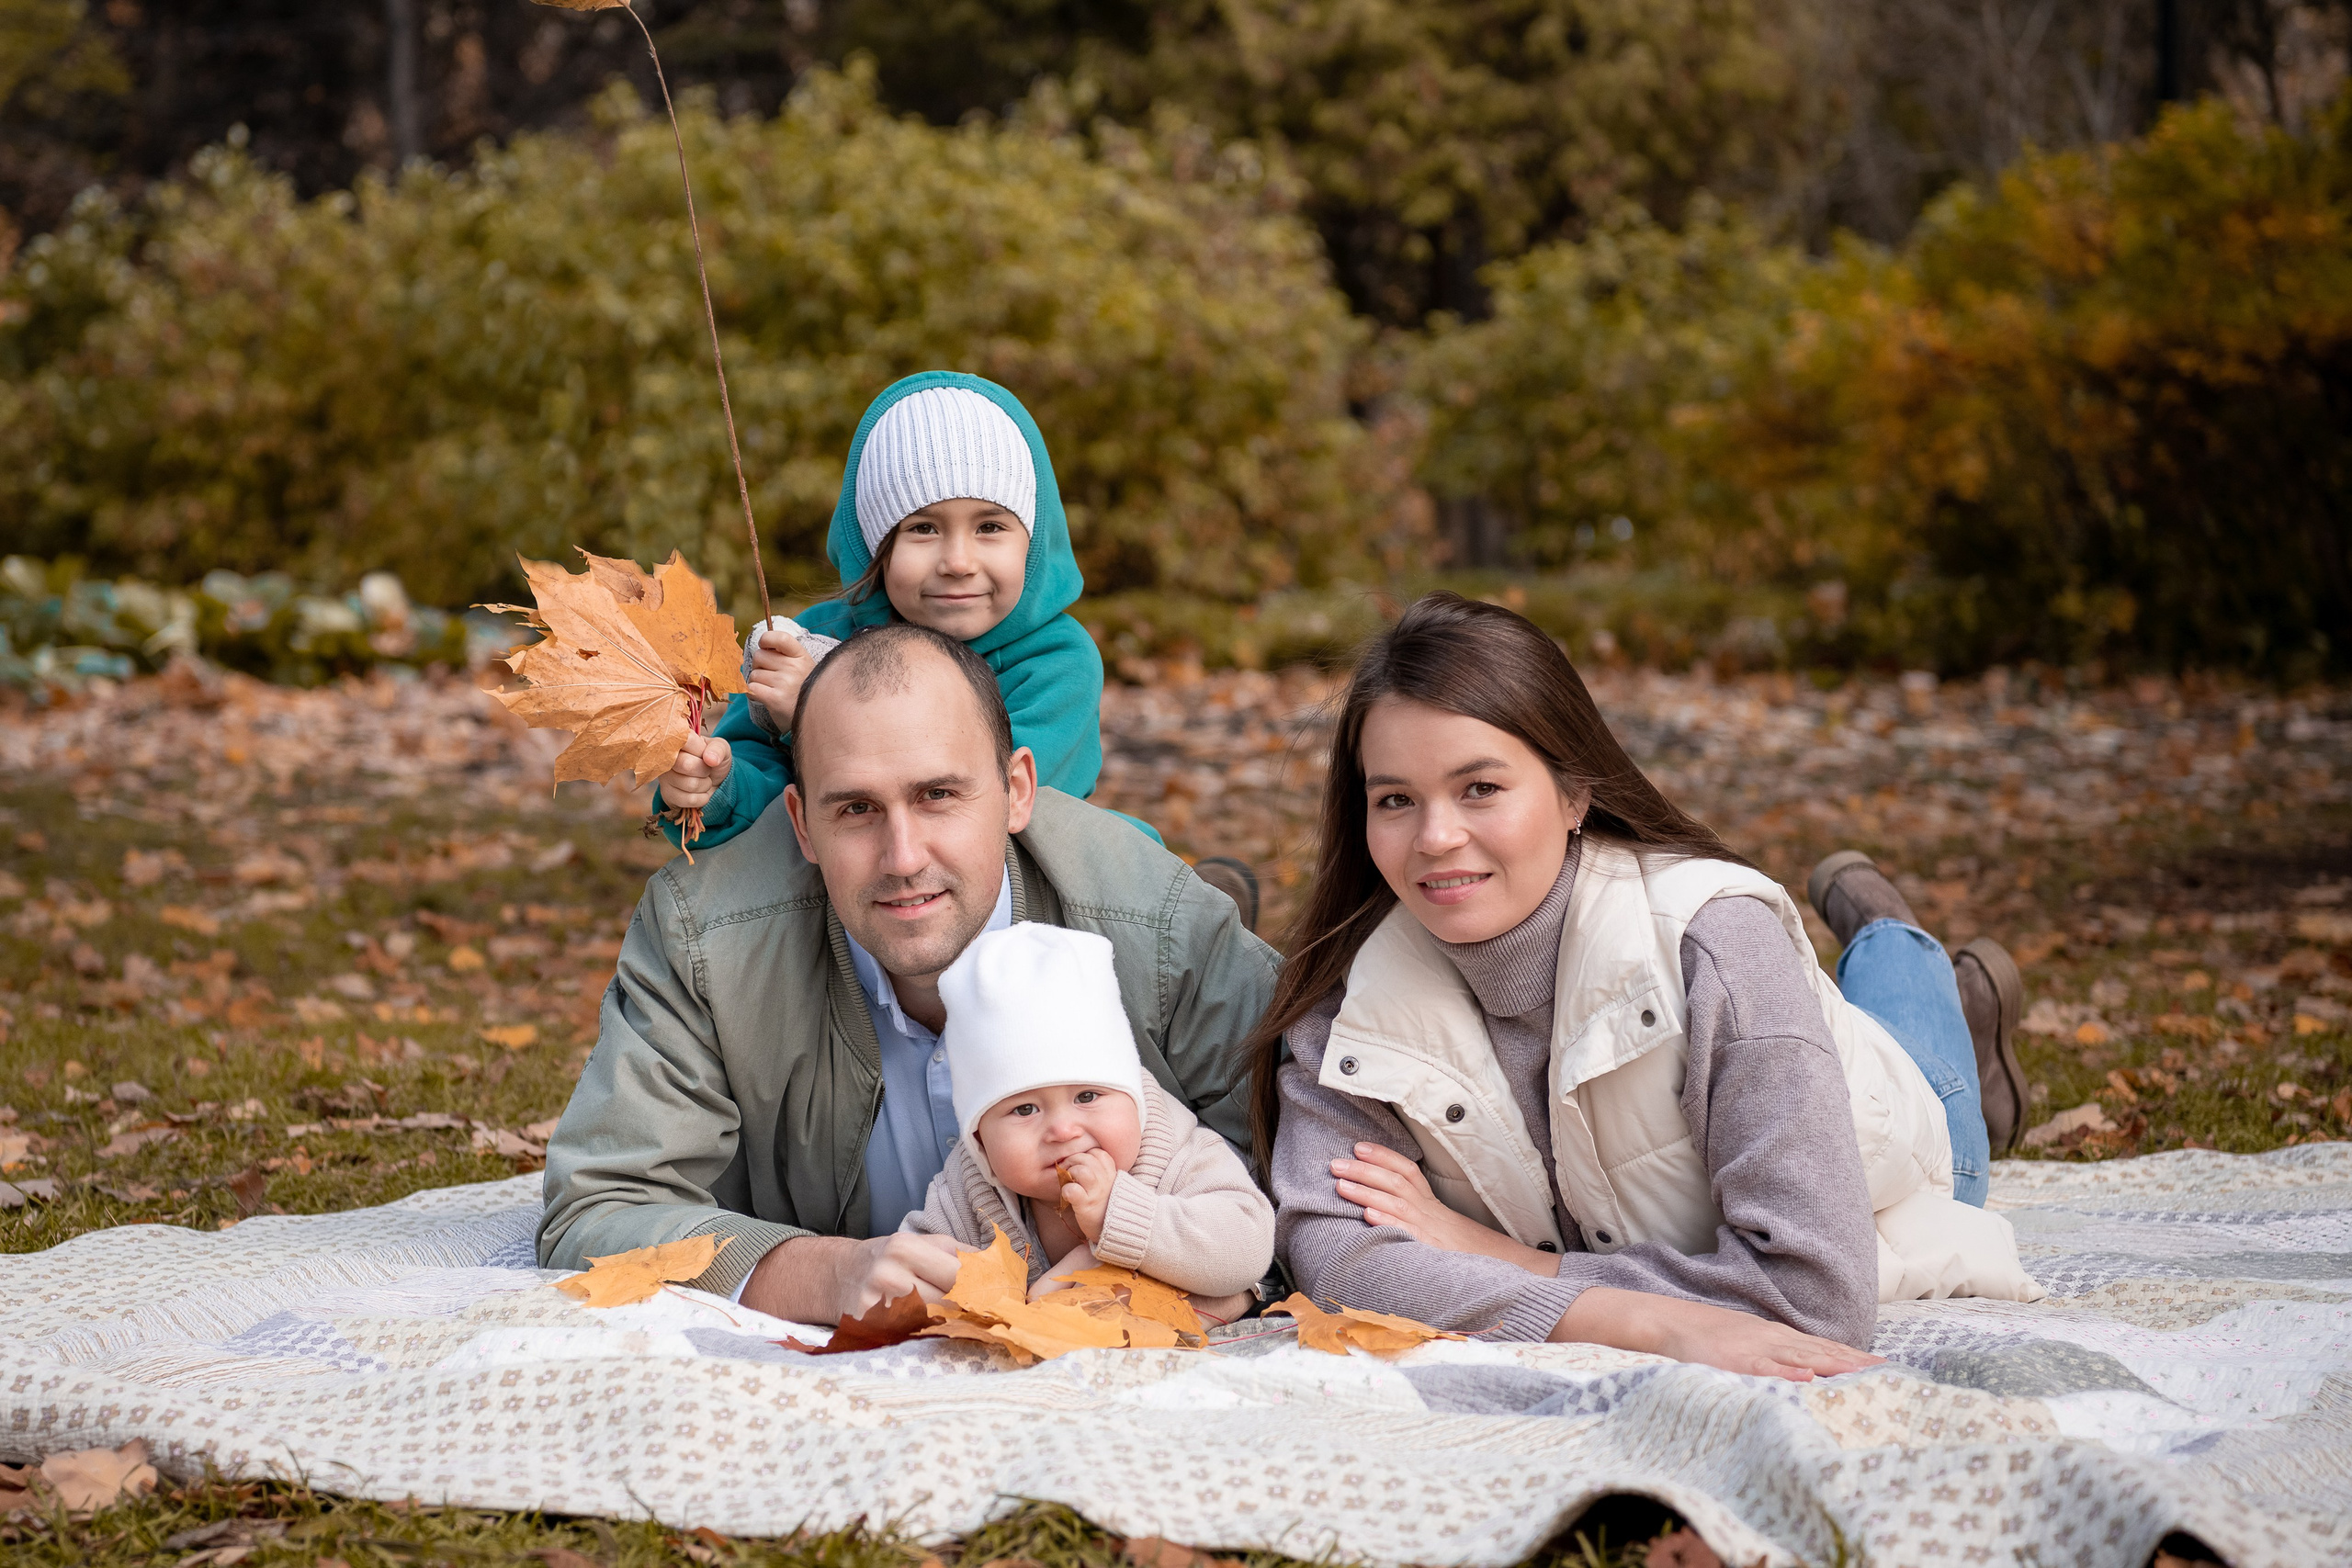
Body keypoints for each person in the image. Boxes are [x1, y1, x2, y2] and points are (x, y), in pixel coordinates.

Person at [1255, 592, 2040, 1382]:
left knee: (1933, 1079)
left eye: (1481, 788)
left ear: (1574, 793)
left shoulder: (1720, 942)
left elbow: (1812, 1295)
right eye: (1395, 798)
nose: (1435, 837)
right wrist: (1643, 1321)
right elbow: (1341, 1256)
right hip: (1771, 1080)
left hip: (1889, 1162)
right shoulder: (1347, 993)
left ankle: (1893, 939)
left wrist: (1495, 1259)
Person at [538, 621, 1278, 1324]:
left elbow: (1310, 1141)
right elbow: (602, 1206)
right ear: (802, 823)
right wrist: (824, 1272)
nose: (903, 857)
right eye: (857, 808)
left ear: (1017, 789)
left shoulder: (1152, 912)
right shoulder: (705, 937)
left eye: (939, 795)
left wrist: (1219, 1279)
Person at [648, 370, 1261, 923]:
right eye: (923, 528)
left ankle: (1191, 913)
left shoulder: (1057, 661)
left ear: (1032, 539)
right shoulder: (815, 638)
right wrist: (714, 784)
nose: (959, 561)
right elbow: (767, 811)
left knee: (1115, 864)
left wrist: (821, 708)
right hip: (869, 898)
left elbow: (989, 801)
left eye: (990, 526)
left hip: (1030, 896)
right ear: (876, 544)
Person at [899, 921, 1272, 1320]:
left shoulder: (1178, 1158)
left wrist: (1121, 1214)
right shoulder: (967, 1194)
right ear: (980, 1137)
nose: (1063, 1130)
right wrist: (991, 1297)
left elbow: (1249, 1250)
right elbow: (910, 1270)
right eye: (1024, 1109)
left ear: (1132, 1096)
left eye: (1087, 1096)